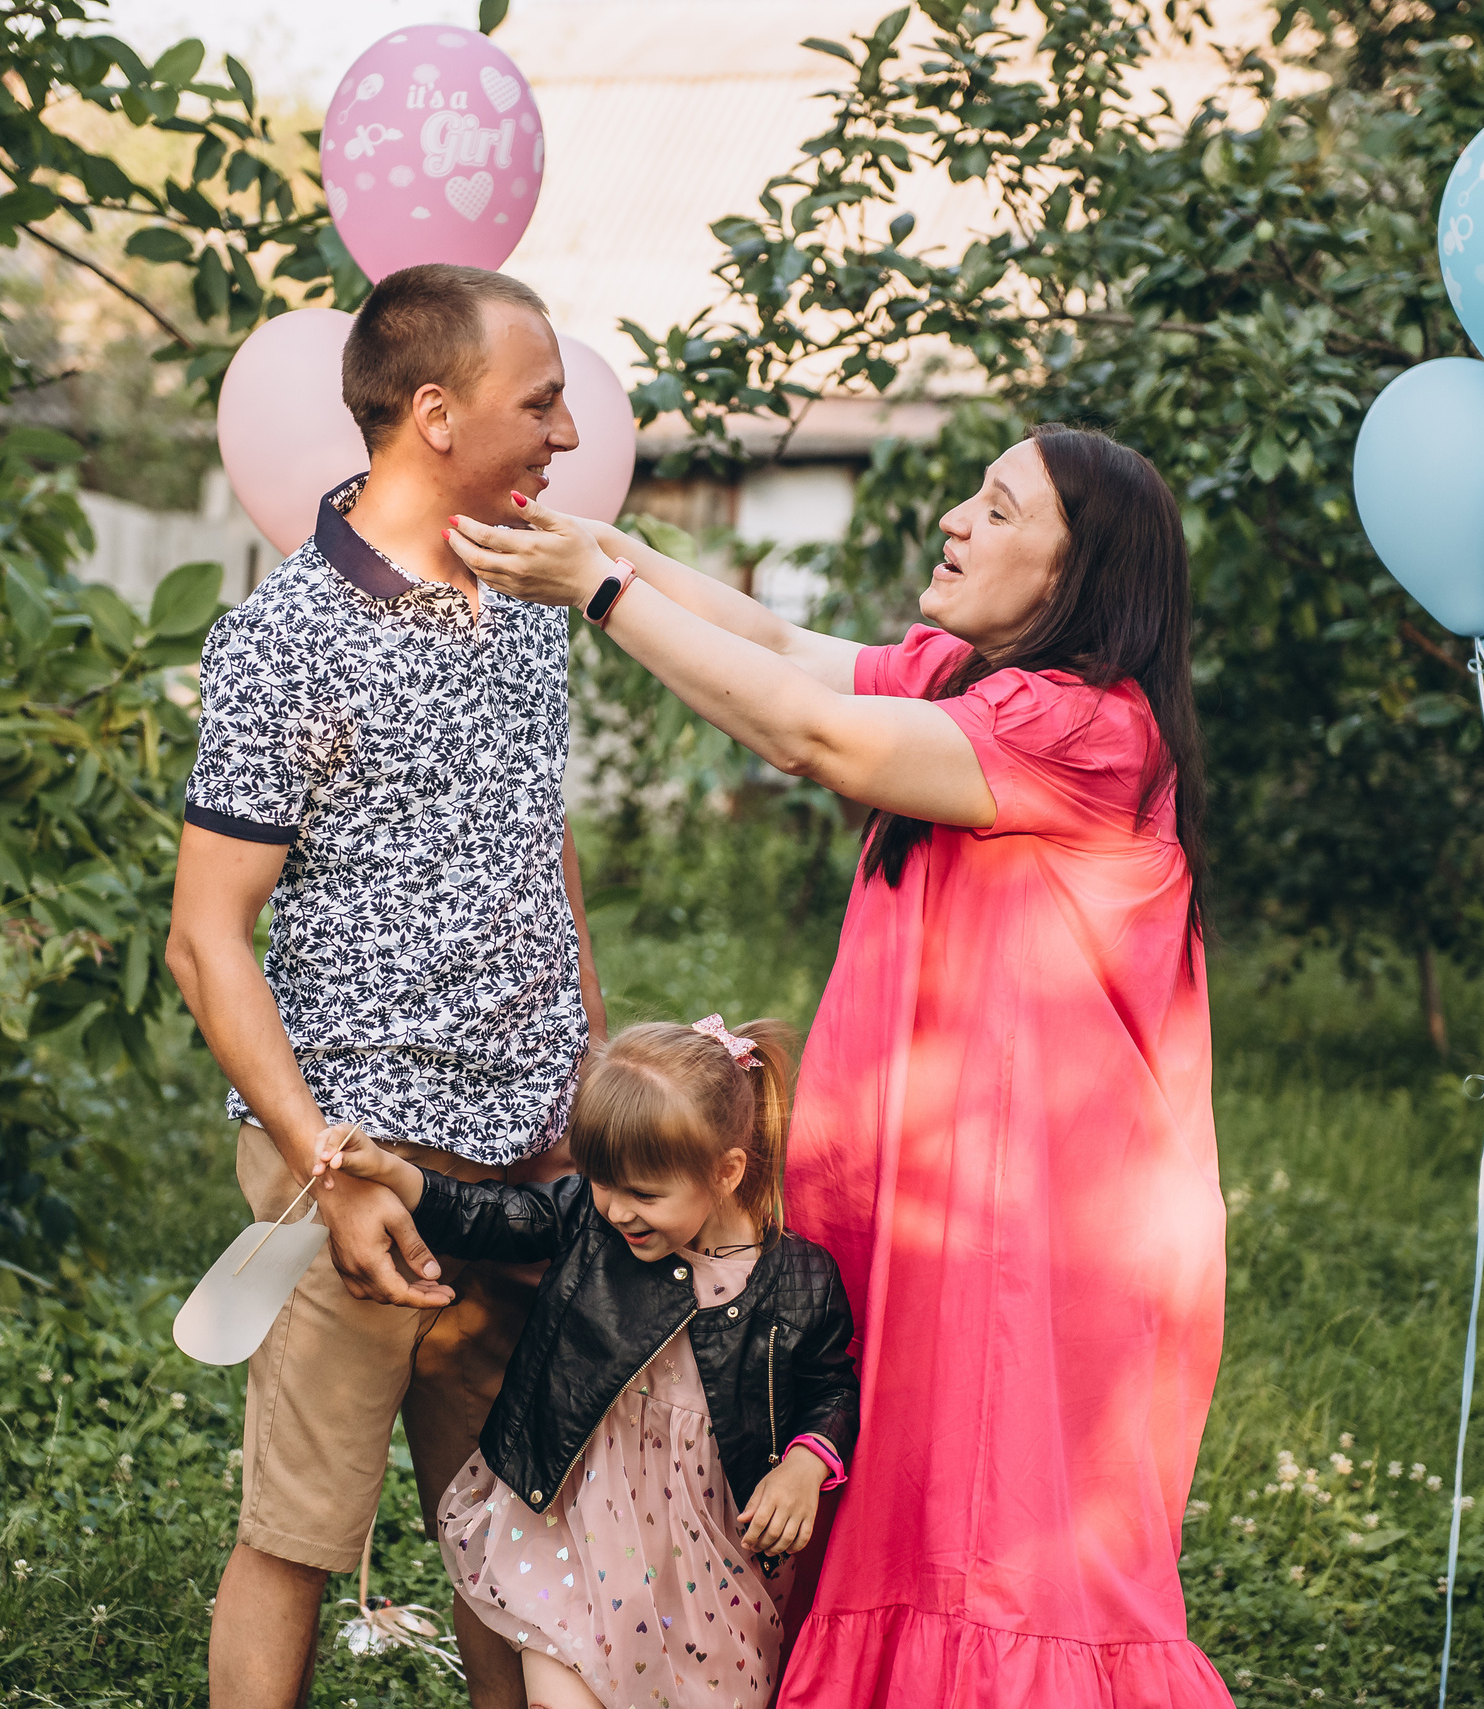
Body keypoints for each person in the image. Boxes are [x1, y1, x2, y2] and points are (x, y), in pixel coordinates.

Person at [441, 424, 1233, 1706]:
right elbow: (782, 650)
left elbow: (817, 735)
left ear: (1074, 577)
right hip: (933, 1200)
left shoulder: (1084, 730)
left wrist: (600, 591)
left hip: (1030, 1234)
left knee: (987, 1541)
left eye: (997, 508)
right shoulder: (967, 682)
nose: (953, 522)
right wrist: (614, 552)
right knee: (888, 1503)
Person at [164, 263, 609, 1709]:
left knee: (518, 1531)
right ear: (434, 412)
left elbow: (544, 843)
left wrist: (587, 1079)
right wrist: (326, 1165)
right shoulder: (286, 638)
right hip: (359, 1163)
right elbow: (205, 939)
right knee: (295, 1536)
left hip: (532, 1159)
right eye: (538, 402)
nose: (564, 431)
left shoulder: (532, 593)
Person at [310, 1017, 860, 1709]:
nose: (616, 1209)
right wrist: (392, 1170)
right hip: (573, 1511)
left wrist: (806, 1464)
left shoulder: (799, 1279)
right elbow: (490, 1214)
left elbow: (830, 1385)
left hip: (707, 1557)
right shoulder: (588, 1220)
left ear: (726, 1172)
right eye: (601, 1182)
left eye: (644, 1194)